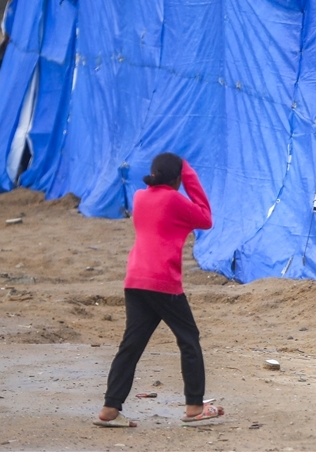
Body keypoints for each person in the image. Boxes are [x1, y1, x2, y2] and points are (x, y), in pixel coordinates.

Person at [94, 153, 224, 427]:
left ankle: (110, 408)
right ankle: (194, 406)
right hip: (162, 281)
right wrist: (188, 173)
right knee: (189, 338)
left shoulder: (140, 198)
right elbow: (206, 217)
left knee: (131, 345)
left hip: (135, 280)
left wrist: (179, 173)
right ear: (177, 177)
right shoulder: (174, 199)